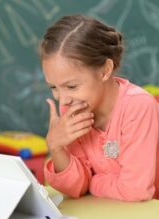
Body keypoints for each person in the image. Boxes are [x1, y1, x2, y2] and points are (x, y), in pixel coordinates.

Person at [39, 14, 159, 201]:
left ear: (105, 70)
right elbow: (76, 188)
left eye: (71, 87)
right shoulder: (74, 111)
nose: (62, 101)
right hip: (110, 218)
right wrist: (56, 146)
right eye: (53, 87)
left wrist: (92, 182)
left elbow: (136, 191)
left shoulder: (138, 107)